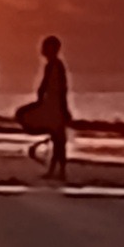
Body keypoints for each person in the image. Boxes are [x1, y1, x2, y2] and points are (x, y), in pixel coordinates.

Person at [36, 36, 72, 180]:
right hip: (53, 105)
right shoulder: (54, 65)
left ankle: (58, 170)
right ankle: (56, 170)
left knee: (59, 140)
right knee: (58, 139)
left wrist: (63, 108)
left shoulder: (54, 65)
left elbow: (59, 88)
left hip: (55, 106)